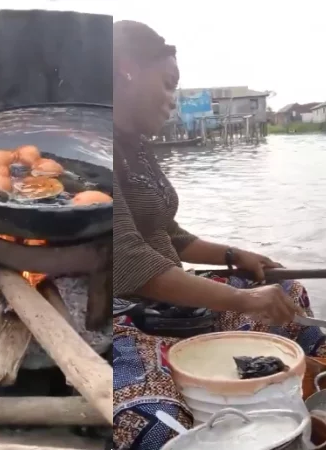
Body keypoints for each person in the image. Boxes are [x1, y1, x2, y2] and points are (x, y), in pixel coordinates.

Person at [112, 21, 324, 449]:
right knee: (151, 426)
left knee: (284, 289)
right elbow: (129, 260)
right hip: (122, 317)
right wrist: (244, 299)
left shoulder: (136, 147)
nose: (173, 100)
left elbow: (167, 233)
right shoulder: (93, 151)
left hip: (170, 304)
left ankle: (299, 388)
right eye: (169, 85)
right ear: (126, 68)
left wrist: (235, 254)